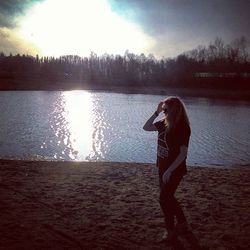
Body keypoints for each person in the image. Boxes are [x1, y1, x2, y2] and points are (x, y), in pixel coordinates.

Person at [143, 96, 191, 244]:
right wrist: (156, 112)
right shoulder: (163, 123)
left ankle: (170, 231)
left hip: (174, 170)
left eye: (165, 109)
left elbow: (183, 153)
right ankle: (182, 223)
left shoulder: (182, 126)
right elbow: (146, 127)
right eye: (163, 109)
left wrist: (169, 170)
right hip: (162, 168)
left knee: (164, 199)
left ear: (174, 110)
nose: (164, 111)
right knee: (168, 197)